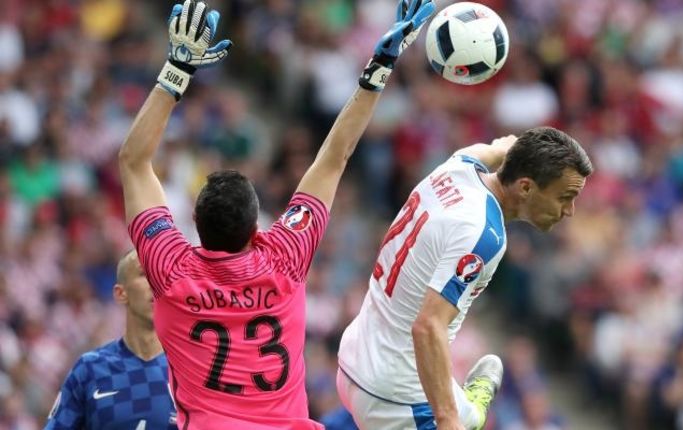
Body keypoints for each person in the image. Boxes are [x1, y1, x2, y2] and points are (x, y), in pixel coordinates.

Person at [117, 0, 435, 428]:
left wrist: (177, 71)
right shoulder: (284, 257)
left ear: (194, 224)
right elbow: (334, 158)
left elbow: (134, 162)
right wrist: (378, 69)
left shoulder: (170, 270)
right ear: (256, 229)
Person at [337, 127, 594, 430]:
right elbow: (428, 325)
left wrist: (507, 148)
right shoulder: (484, 235)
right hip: (397, 398)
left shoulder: (457, 167)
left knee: (464, 415)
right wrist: (447, 421)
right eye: (565, 197)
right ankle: (469, 412)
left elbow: (492, 148)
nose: (570, 211)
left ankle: (468, 411)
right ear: (525, 187)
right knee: (464, 422)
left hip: (353, 361)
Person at [45, 251, 177, 430]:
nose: (155, 284)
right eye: (144, 274)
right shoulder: (89, 369)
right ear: (121, 293)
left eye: (161, 276)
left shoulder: (191, 370)